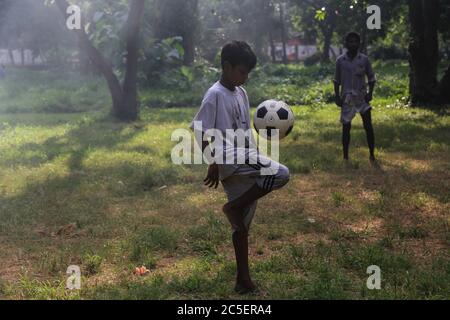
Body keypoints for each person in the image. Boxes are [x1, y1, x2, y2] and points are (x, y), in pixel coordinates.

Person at [190, 41, 290, 294]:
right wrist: (212, 160)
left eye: (247, 73)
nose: (245, 78)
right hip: (229, 158)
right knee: (280, 174)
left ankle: (242, 280)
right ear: (227, 66)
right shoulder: (214, 94)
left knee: (241, 226)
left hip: (246, 159)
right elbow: (200, 130)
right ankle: (231, 206)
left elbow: (245, 127)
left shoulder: (240, 92)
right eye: (242, 72)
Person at [334, 32, 377, 163]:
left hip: (361, 97)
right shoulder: (340, 61)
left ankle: (372, 154)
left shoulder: (364, 60)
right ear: (346, 44)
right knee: (346, 128)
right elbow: (336, 80)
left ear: (359, 44)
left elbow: (372, 78)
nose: (353, 44)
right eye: (350, 42)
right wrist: (337, 96)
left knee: (368, 126)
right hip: (347, 98)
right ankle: (345, 156)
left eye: (355, 42)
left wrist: (370, 93)